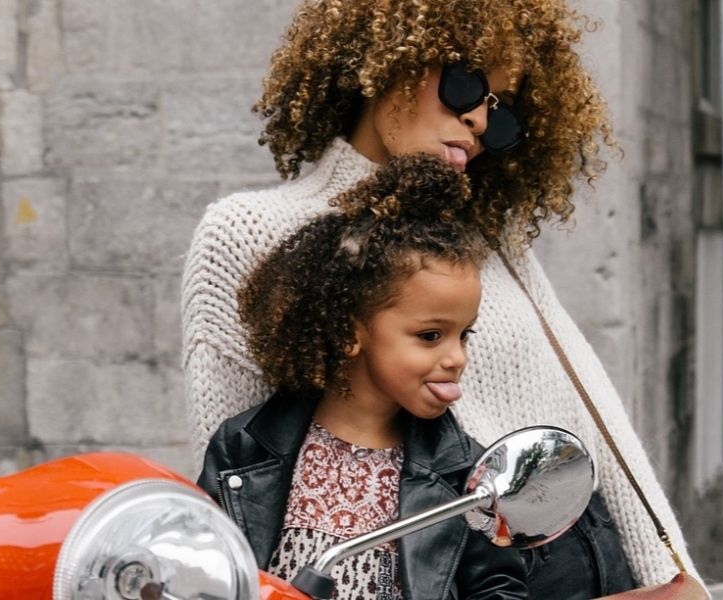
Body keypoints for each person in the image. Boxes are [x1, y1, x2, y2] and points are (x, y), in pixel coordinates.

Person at [182, 0, 701, 596]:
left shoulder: (489, 241)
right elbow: (242, 486)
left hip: (587, 557)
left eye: (502, 112)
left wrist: (677, 574)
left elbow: (594, 415)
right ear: (391, 56)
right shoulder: (249, 232)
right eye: (466, 84)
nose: (480, 120)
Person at [198, 154, 528, 599]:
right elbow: (202, 572)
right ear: (349, 332)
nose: (457, 357)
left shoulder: (465, 476)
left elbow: (497, 587)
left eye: (463, 335)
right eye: (431, 335)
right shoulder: (244, 447)